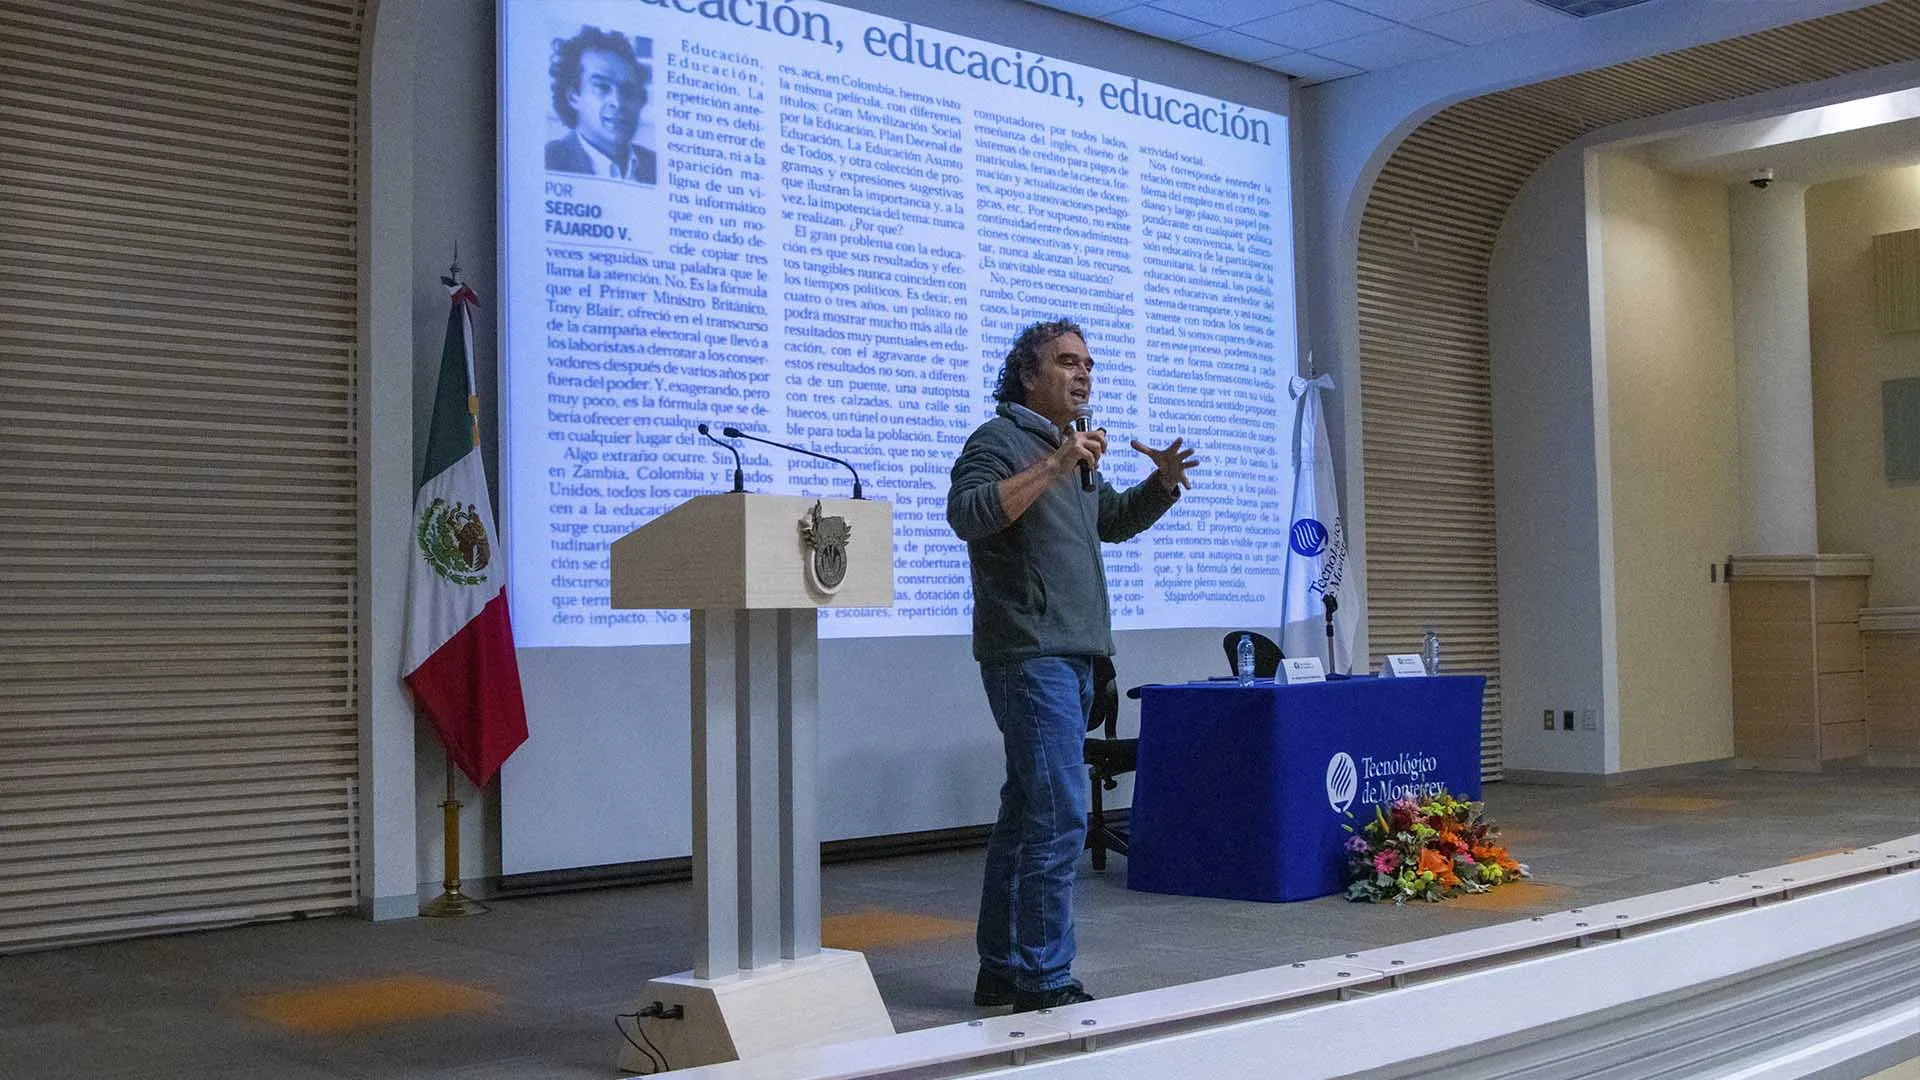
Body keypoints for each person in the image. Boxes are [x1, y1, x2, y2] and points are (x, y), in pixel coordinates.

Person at [946, 319, 1199, 1011]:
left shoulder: (1073, 448)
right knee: (1058, 816)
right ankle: (1042, 977)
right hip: (1029, 653)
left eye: (1088, 364)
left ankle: (1002, 967)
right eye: (1067, 362)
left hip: (1074, 651)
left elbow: (1109, 521)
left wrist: (1160, 485)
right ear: (1029, 375)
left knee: (1027, 812)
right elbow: (967, 514)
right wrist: (1054, 467)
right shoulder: (998, 441)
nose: (1084, 374)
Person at [545, 27, 657, 184]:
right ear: (573, 96)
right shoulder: (550, 160)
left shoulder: (655, 164)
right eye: (602, 87)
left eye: (628, 90)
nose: (618, 102)